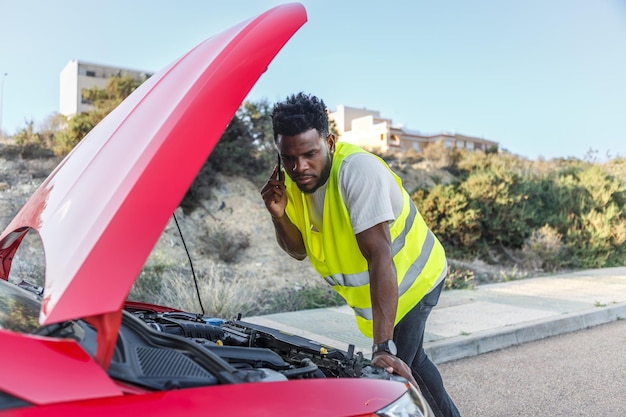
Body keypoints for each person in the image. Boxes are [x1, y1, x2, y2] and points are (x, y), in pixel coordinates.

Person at [260, 92, 460, 417]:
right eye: (288, 158)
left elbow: (380, 255)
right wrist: (278, 214)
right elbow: (297, 250)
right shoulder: (292, 183)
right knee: (415, 364)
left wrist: (383, 348)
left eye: (310, 153)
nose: (299, 167)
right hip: (387, 291)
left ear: (330, 142)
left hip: (413, 281)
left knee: (386, 384)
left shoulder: (357, 171)